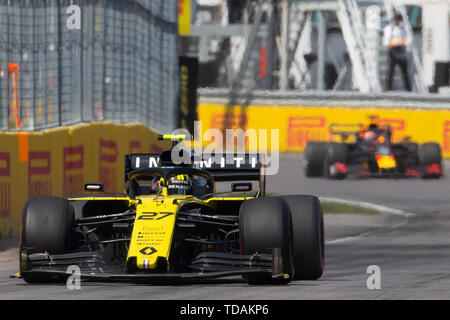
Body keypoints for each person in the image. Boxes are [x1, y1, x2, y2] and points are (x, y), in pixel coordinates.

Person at [382, 13, 412, 91]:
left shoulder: (403, 29)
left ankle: (408, 88)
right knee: (391, 70)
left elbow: (407, 40)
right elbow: (386, 41)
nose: (397, 21)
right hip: (393, 51)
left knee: (404, 71)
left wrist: (404, 46)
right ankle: (388, 87)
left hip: (401, 51)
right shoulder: (389, 28)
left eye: (399, 19)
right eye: (396, 19)